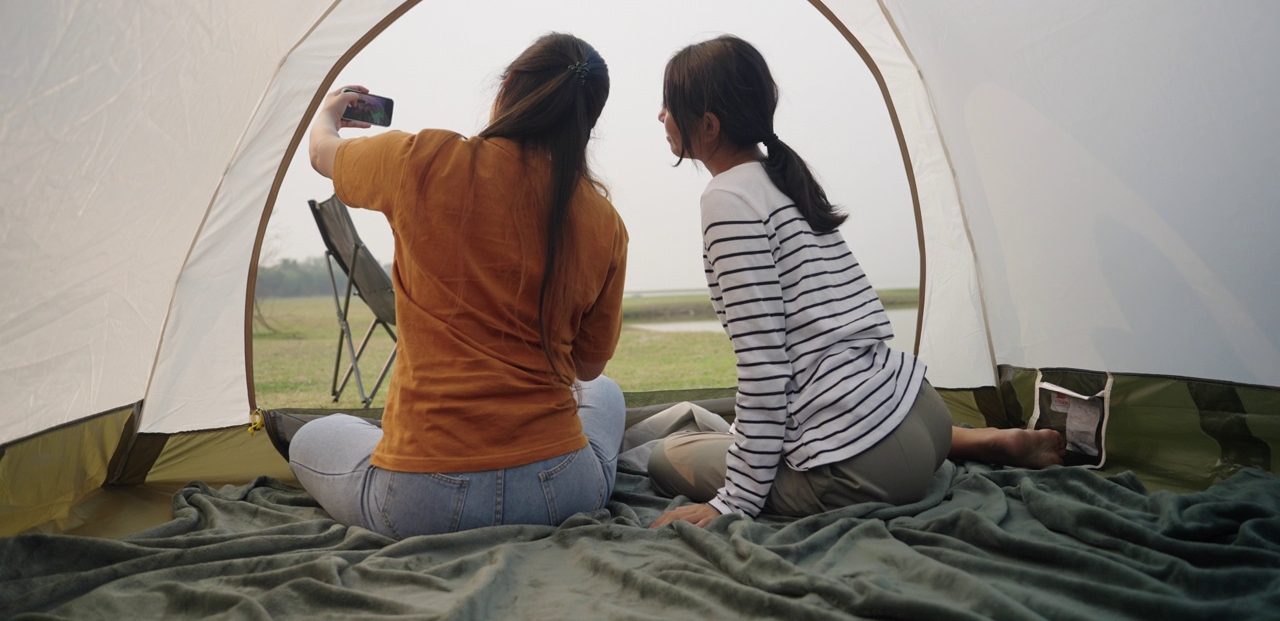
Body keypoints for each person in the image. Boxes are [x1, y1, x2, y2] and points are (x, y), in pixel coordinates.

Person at [648, 36, 1064, 528]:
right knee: (746, 428)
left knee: (665, 454)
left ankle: (954, 445)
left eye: (669, 106)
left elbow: (763, 367)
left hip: (872, 466)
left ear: (709, 126)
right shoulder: (781, 178)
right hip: (920, 411)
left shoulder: (726, 200)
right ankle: (984, 439)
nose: (661, 117)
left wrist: (732, 503)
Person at [292, 32, 629, 538]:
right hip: (559, 490)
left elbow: (322, 153)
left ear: (510, 85)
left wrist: (331, 112)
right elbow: (587, 366)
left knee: (313, 436)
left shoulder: (421, 159)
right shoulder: (603, 219)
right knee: (605, 391)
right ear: (587, 121)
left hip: (421, 497)